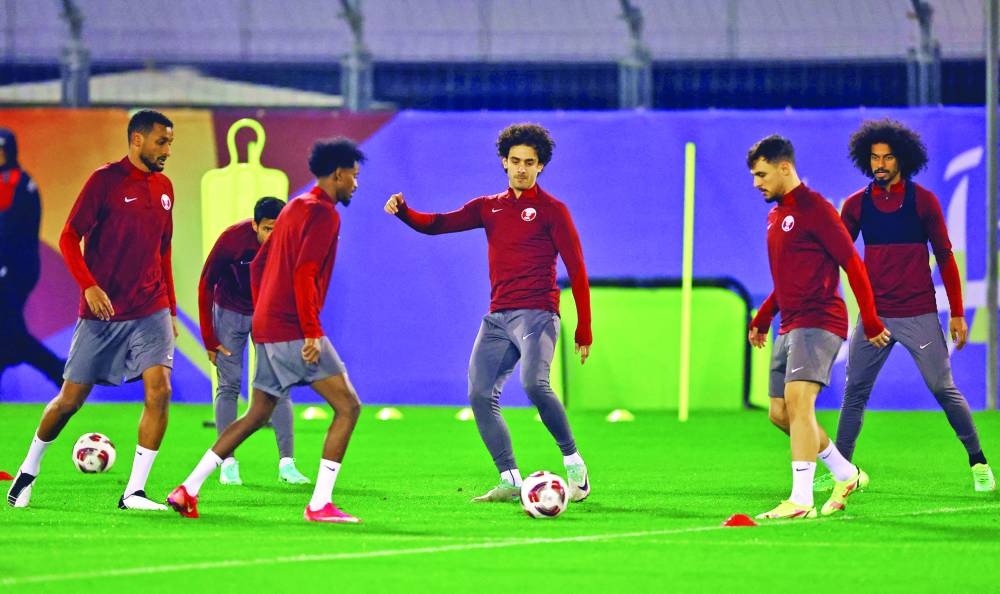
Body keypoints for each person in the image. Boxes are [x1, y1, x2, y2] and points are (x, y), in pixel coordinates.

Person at [383, 122, 592, 504]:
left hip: (538, 314)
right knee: (480, 394)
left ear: (541, 166)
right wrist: (404, 213)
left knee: (534, 384)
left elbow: (577, 269)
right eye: (515, 161)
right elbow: (439, 225)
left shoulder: (552, 211)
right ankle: (510, 480)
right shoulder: (488, 207)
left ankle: (573, 461)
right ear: (504, 162)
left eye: (530, 162)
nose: (522, 169)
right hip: (498, 317)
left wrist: (584, 329)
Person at [168, 138, 365, 523]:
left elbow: (260, 267)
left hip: (269, 324)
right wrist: (310, 331)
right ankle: (320, 503)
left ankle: (188, 488)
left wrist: (264, 313)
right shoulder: (324, 214)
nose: (355, 185)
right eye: (353, 177)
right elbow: (306, 272)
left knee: (258, 413)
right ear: (338, 174)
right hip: (293, 327)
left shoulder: (294, 208)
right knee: (348, 406)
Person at [7, 110, 177, 510]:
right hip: (102, 312)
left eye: (170, 142)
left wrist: (170, 306)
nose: (167, 150)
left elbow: (163, 250)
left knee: (160, 390)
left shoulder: (166, 187)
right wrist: (89, 286)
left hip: (150, 306)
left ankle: (134, 491)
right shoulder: (104, 181)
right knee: (69, 401)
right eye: (161, 142)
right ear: (137, 140)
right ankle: (28, 470)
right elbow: (69, 237)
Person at [817, 118, 994, 492]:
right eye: (874, 158)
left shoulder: (923, 202)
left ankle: (978, 462)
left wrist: (958, 313)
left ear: (903, 161)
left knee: (943, 389)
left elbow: (945, 258)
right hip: (874, 318)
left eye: (888, 158)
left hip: (919, 314)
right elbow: (838, 255)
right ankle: (842, 471)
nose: (880, 164)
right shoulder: (855, 206)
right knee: (855, 394)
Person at [746, 134, 891, 519]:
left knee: (799, 403)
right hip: (789, 324)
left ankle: (801, 500)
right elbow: (788, 279)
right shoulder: (776, 215)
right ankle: (846, 473)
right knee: (780, 413)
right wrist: (763, 316)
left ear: (784, 167)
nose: (756, 183)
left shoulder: (816, 209)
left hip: (820, 320)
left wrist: (871, 317)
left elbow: (853, 264)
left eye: (761, 174)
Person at [198, 196, 311, 486]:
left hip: (268, 314)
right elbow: (206, 283)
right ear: (254, 225)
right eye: (268, 229)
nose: (274, 236)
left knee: (279, 386)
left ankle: (287, 464)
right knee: (229, 385)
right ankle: (227, 463)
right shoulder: (231, 240)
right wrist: (209, 337)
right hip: (230, 314)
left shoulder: (292, 242)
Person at [0, 127, 65, 389]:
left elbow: (9, 227)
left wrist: (4, 265)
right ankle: (58, 371)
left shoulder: (15, 182)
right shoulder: (15, 180)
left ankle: (58, 371)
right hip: (13, 265)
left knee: (11, 331)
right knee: (7, 332)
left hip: (13, 267)